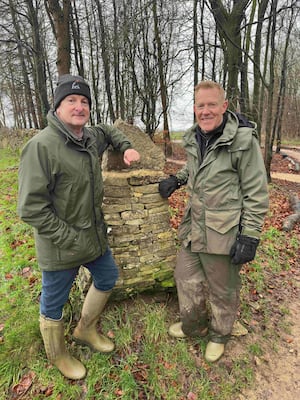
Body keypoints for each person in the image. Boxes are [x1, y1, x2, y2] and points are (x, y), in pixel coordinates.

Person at [17, 74, 140, 380]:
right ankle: (58, 355)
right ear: (57, 107)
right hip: (61, 244)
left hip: (93, 237)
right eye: (71, 100)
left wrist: (125, 146)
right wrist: (69, 238)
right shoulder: (41, 147)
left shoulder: (89, 137)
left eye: (84, 101)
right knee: (54, 301)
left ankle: (85, 329)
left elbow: (108, 130)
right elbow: (30, 208)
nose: (79, 106)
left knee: (108, 275)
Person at [159, 80, 269, 363]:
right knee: (185, 278)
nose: (205, 111)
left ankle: (220, 334)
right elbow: (195, 167)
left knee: (223, 289)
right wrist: (178, 179)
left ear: (224, 106)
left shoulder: (242, 142)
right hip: (195, 226)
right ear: (194, 109)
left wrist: (250, 236)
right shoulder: (196, 137)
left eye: (211, 105)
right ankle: (193, 326)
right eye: (200, 106)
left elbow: (256, 193)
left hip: (224, 231)